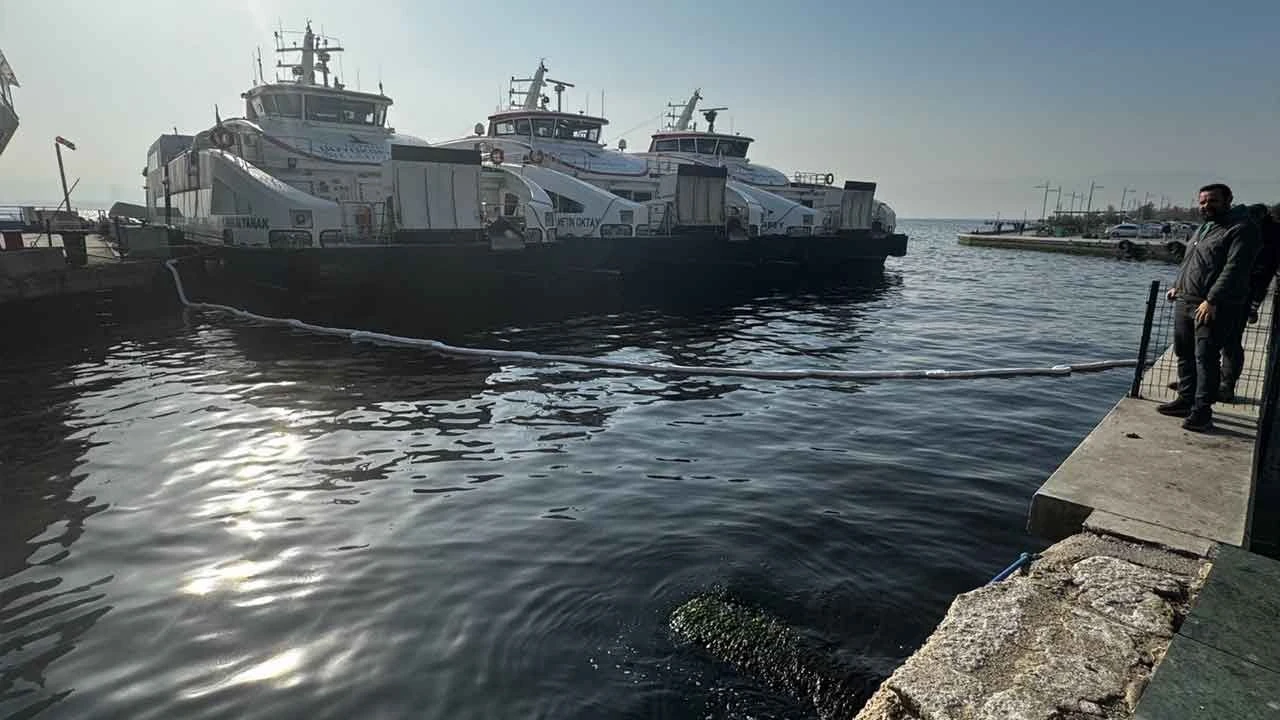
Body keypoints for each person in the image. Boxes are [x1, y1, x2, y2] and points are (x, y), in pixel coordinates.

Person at [1159, 184, 1261, 431]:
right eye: (1203, 202)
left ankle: (1202, 410)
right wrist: (1178, 285)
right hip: (1186, 299)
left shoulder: (1242, 229)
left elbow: (1234, 268)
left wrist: (1212, 299)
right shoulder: (1205, 228)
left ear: (1228, 200)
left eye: (1212, 201)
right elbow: (1192, 261)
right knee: (1184, 352)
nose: (1206, 206)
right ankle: (1185, 399)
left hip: (1213, 305)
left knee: (1205, 357)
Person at [1215, 204, 1280, 402]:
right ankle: (1209, 382)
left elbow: (1266, 270)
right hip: (1226, 290)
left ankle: (1226, 386)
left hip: (1244, 293)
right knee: (1213, 340)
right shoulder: (1247, 229)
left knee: (1231, 341)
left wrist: (1254, 303)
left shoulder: (1269, 235)